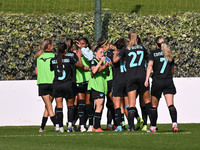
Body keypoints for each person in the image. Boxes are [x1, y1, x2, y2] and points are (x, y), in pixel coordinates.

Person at [113, 32, 152, 131]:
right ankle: (147, 124)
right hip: (142, 76)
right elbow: (148, 59)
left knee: (131, 103)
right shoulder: (142, 48)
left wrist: (118, 53)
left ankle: (131, 126)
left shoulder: (126, 49)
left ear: (129, 39)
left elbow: (115, 60)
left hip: (131, 77)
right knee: (146, 102)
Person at [144, 36, 178, 133]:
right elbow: (172, 71)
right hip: (168, 81)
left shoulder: (153, 54)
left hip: (157, 81)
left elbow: (150, 66)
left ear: (156, 44)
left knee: (154, 106)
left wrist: (147, 79)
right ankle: (174, 125)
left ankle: (153, 127)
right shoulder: (169, 53)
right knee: (171, 105)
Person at [50, 43, 83, 132]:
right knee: (70, 106)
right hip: (68, 84)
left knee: (59, 106)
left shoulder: (53, 60)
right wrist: (79, 56)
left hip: (57, 85)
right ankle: (69, 125)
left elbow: (52, 69)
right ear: (65, 50)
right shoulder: (69, 58)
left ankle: (60, 127)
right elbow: (80, 65)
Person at [35, 39, 59, 132]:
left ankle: (42, 128)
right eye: (52, 44)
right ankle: (56, 124)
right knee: (49, 106)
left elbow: (36, 72)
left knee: (48, 106)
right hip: (53, 83)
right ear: (49, 46)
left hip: (42, 83)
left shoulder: (38, 57)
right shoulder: (54, 56)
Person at [88, 46, 110, 132]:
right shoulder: (94, 61)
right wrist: (101, 62)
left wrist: (107, 66)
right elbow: (93, 71)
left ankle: (97, 126)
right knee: (99, 106)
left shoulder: (101, 62)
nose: (102, 54)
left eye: (103, 52)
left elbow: (107, 74)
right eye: (100, 52)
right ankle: (96, 127)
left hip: (102, 86)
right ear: (95, 53)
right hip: (96, 86)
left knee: (101, 106)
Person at [75, 38, 94, 132]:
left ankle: (91, 124)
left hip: (89, 80)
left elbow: (90, 58)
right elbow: (77, 64)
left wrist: (82, 49)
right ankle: (82, 125)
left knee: (88, 103)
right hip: (79, 80)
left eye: (83, 44)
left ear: (86, 44)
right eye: (80, 44)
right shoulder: (76, 53)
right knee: (81, 104)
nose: (81, 45)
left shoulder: (89, 51)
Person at [97, 38, 116, 130]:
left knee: (102, 104)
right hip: (109, 80)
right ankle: (112, 124)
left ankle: (97, 125)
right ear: (105, 46)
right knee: (111, 103)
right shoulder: (109, 54)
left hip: (101, 81)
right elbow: (112, 63)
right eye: (108, 45)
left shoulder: (96, 54)